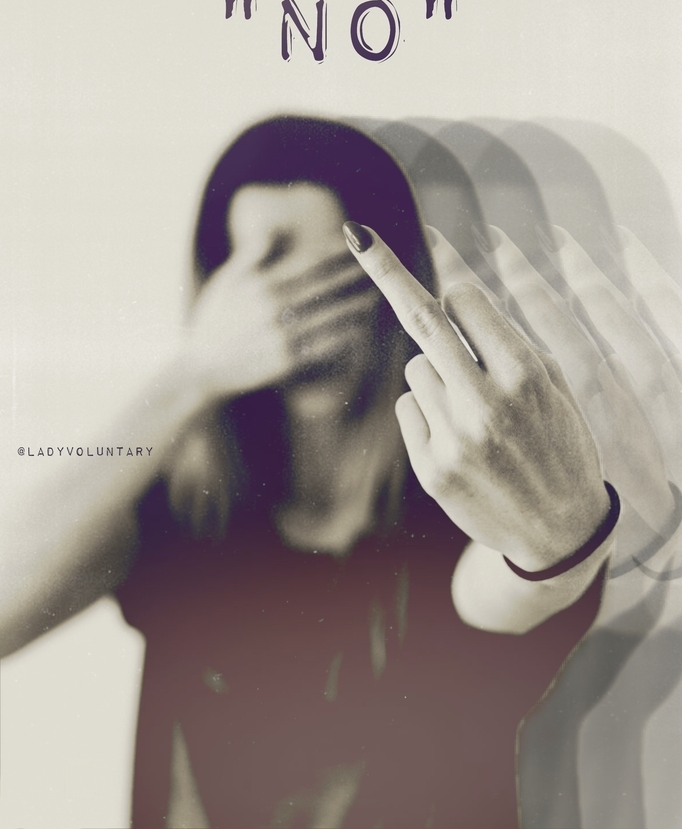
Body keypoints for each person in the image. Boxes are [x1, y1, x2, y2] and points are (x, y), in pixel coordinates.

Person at [0, 117, 613, 828]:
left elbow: (518, 580)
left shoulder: (450, 507)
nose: (295, 318)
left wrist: (558, 538)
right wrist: (191, 373)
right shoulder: (185, 508)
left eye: (329, 280)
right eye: (263, 276)